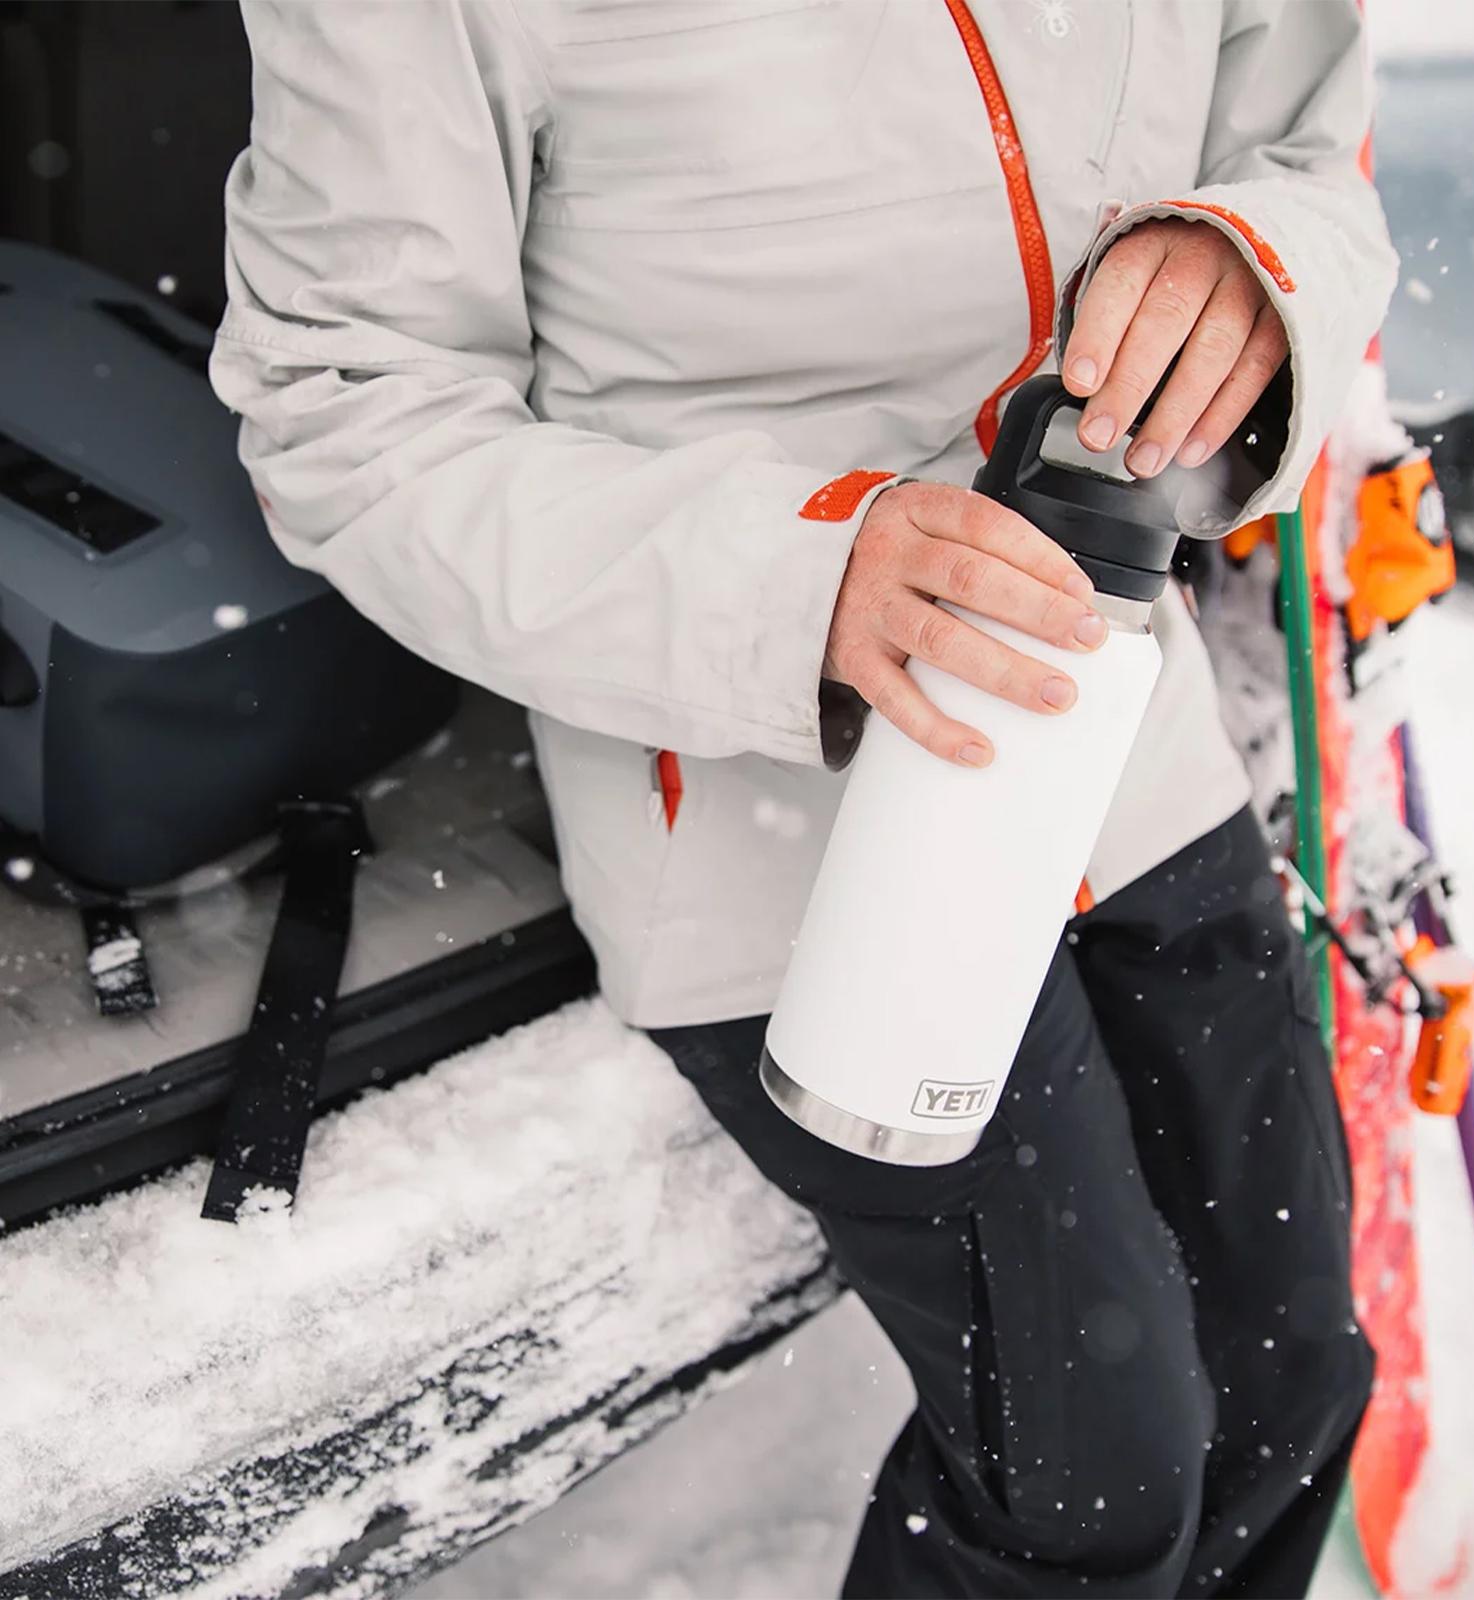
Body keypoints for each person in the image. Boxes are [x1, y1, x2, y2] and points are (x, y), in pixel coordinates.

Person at [213, 3, 1398, 1594]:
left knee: (1291, 1376)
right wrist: (804, 583)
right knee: (1091, 1490)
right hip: (773, 815)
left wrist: (1258, 268)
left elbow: (1305, 154)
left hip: (1127, 728)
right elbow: (348, 412)